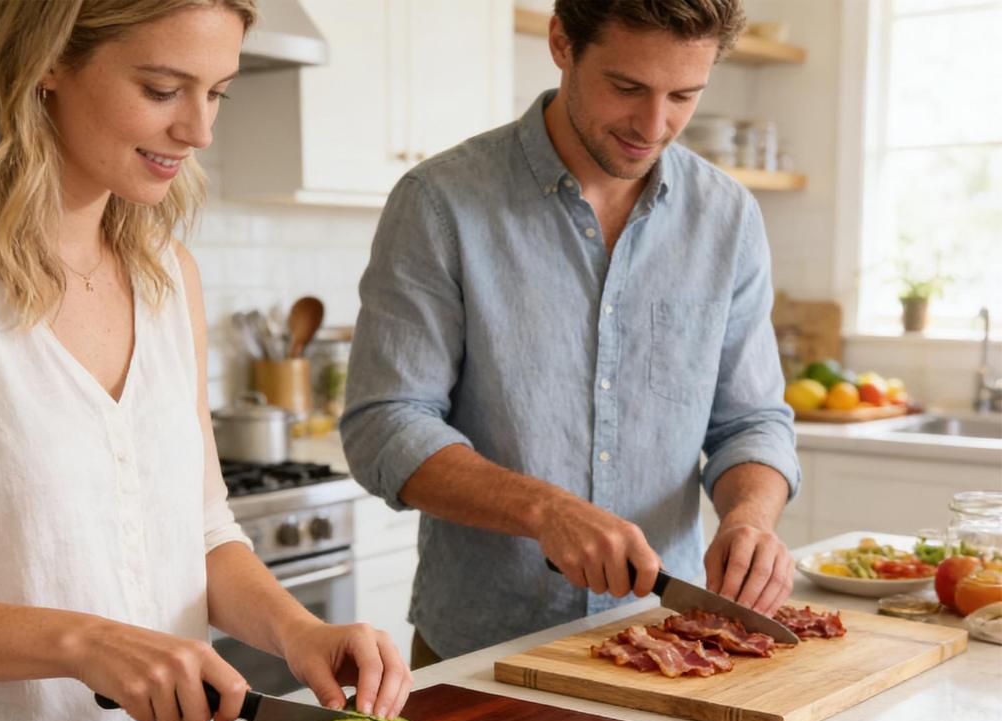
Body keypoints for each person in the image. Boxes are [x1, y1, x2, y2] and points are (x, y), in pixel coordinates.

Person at [0, 0, 411, 721]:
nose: (199, 131)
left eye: (217, 93)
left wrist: (299, 631)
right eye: (162, 88)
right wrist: (84, 641)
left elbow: (203, 532)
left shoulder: (168, 275)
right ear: (46, 63)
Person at [340, 0, 801, 667]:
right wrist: (542, 510)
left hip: (665, 641)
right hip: (483, 649)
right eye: (627, 88)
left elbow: (752, 419)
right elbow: (384, 423)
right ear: (562, 43)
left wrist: (749, 519)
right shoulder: (441, 202)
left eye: (683, 96)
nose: (653, 124)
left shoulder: (726, 217)